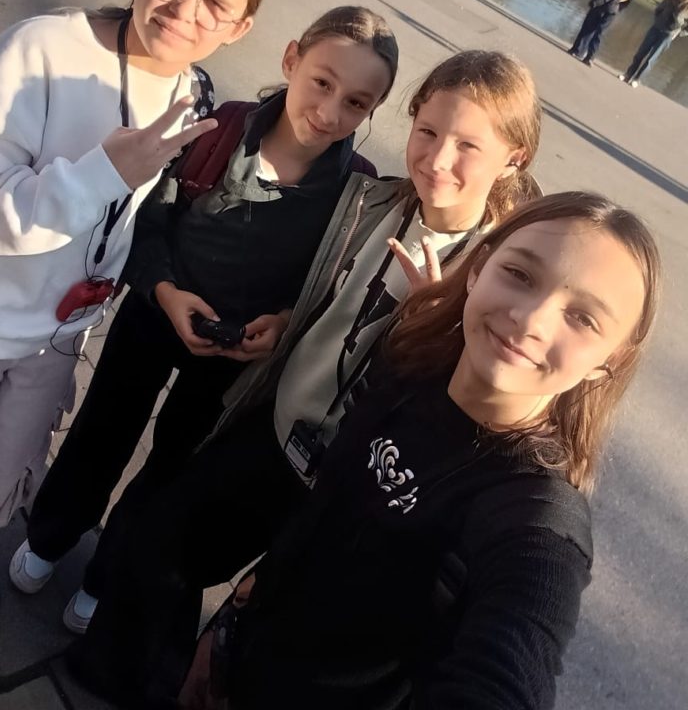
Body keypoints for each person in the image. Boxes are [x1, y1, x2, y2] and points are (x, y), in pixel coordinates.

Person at [65, 50, 545, 706]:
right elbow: (324, 292)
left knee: (267, 625)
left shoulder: (494, 275)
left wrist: (433, 331)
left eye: (468, 145)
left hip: (351, 482)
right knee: (162, 545)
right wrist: (287, 321)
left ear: (514, 157)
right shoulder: (370, 201)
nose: (437, 158)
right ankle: (132, 680)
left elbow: (486, 407)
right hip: (279, 429)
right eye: (428, 131)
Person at [0, 0, 270, 680]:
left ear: (238, 28)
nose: (184, 9)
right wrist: (101, 173)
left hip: (51, 339)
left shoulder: (193, 92)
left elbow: (146, 217)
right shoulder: (41, 50)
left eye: (215, 3)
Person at [9, 7, 399, 633]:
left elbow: (326, 283)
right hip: (155, 311)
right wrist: (164, 290)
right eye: (321, 82)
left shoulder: (355, 192)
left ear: (373, 109)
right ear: (292, 59)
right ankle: (51, 534)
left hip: (234, 353)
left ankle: (108, 576)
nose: (329, 112)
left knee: (173, 463)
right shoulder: (221, 129)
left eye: (356, 102)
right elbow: (151, 216)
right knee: (104, 428)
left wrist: (284, 321)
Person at [201, 192, 661, 710]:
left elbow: (508, 664)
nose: (531, 319)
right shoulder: (412, 364)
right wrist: (235, 615)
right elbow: (325, 506)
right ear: (478, 268)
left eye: (583, 318)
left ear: (609, 361)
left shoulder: (535, 515)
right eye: (520, 274)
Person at [618, 0, 688, 87]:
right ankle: (628, 74)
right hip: (656, 29)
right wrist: (658, 21)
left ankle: (637, 79)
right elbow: (658, 9)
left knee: (651, 58)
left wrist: (678, 33)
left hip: (667, 35)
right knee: (640, 53)